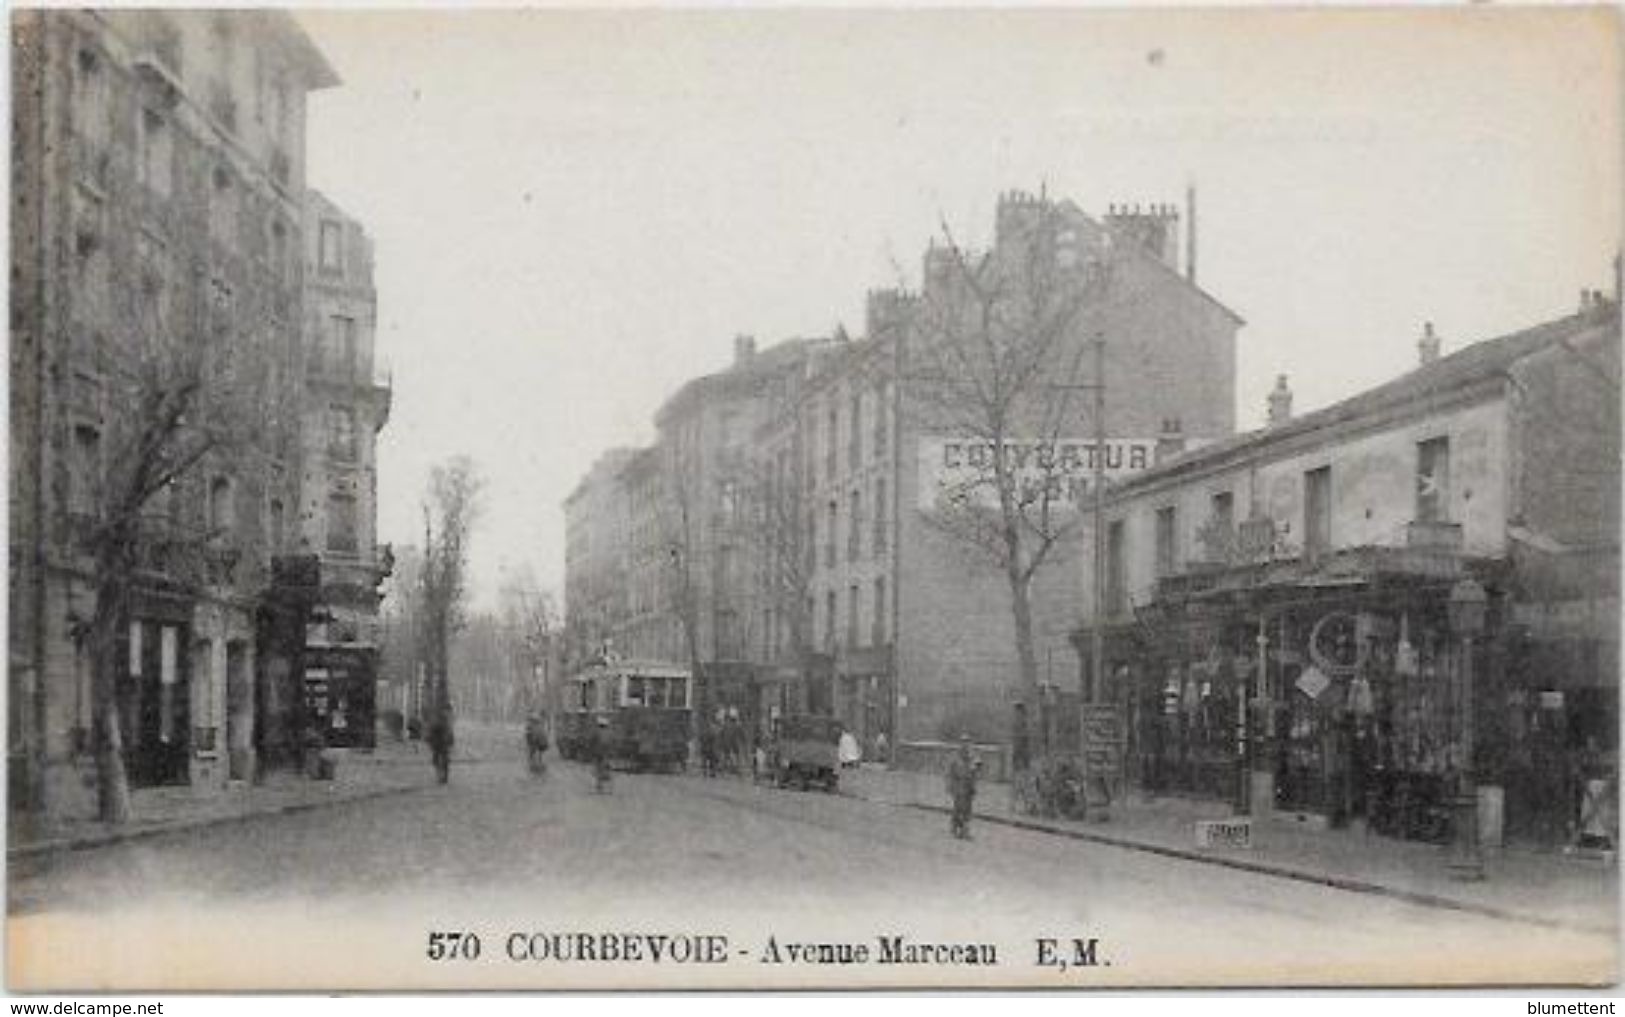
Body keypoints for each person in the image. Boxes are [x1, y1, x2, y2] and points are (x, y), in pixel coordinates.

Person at [946, 734, 982, 840]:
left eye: (967, 742)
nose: (965, 745)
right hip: (958, 785)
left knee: (968, 809)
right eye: (963, 742)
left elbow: (978, 767)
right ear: (960, 744)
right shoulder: (954, 757)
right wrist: (949, 786)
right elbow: (949, 772)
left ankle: (959, 828)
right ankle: (961, 830)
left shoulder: (973, 756)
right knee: (959, 808)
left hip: (969, 785)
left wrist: (976, 768)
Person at [426, 711, 454, 785]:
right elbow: (429, 735)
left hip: (441, 743)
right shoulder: (437, 723)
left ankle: (442, 776)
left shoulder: (443, 723)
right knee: (439, 760)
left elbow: (449, 733)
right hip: (439, 743)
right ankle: (441, 776)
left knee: (441, 760)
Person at [591, 716, 613, 794]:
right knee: (606, 770)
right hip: (606, 754)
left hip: (598, 754)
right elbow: (611, 743)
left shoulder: (596, 732)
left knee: (597, 770)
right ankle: (609, 789)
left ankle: (599, 788)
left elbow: (592, 741)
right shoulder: (609, 733)